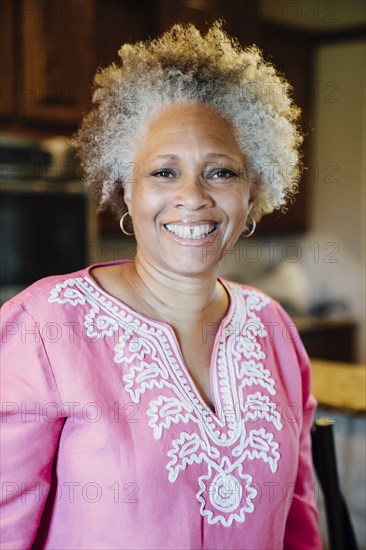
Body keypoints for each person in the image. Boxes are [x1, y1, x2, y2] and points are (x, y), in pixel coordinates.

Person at [0, 22, 322, 549]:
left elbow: (299, 521)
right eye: (164, 173)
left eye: (221, 172)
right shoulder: (44, 327)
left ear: (252, 192)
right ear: (125, 188)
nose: (192, 196)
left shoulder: (273, 328)